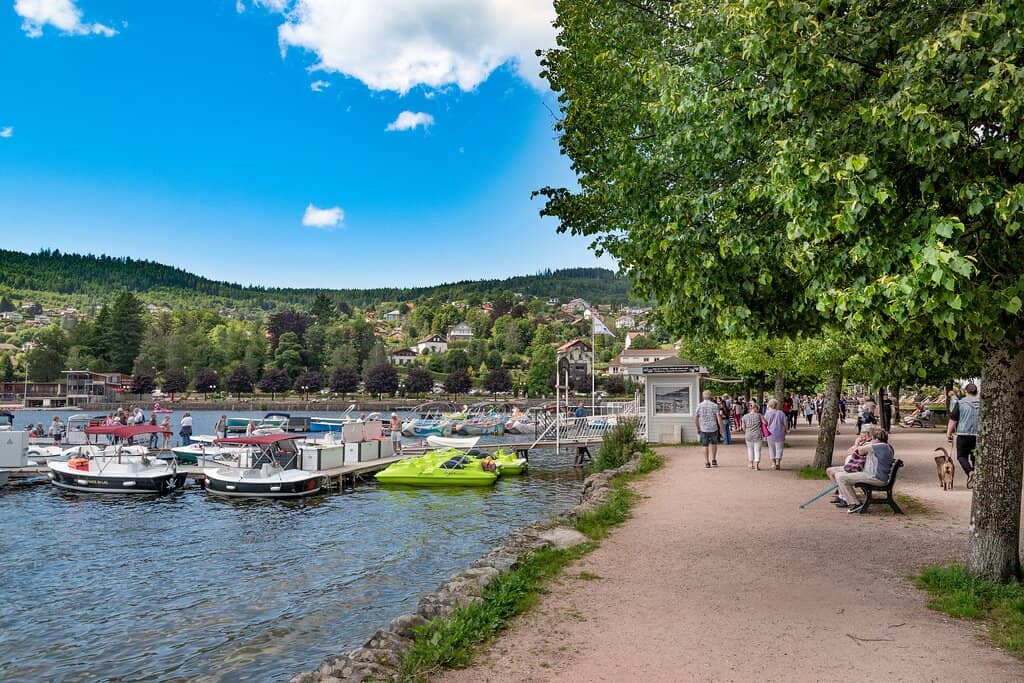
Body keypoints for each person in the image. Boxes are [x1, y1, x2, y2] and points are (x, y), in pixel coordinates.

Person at [834, 426, 895, 512]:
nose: (871, 441)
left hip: (875, 478)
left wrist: (858, 443)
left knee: (840, 477)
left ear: (876, 439)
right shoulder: (886, 446)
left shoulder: (880, 446)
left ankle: (854, 504)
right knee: (840, 476)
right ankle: (852, 502)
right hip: (874, 475)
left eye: (872, 439)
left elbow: (860, 451)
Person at [946, 382, 980, 488]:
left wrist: (949, 433)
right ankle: (976, 479)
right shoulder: (982, 403)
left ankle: (970, 473)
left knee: (961, 456)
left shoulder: (960, 403)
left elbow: (953, 420)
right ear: (977, 392)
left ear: (966, 392)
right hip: (978, 435)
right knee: (976, 457)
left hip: (963, 434)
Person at [694, 390, 723, 468]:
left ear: (703, 396)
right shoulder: (714, 405)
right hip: (713, 428)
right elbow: (718, 417)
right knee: (714, 444)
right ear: (710, 396)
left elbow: (696, 418)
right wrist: (721, 428)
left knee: (705, 445)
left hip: (703, 428)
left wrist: (698, 427)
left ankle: (707, 462)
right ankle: (714, 460)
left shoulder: (699, 405)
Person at [740, 401, 766, 470]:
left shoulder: (744, 416)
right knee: (757, 450)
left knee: (750, 449)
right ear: (756, 408)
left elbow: (743, 427)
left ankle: (751, 463)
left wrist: (747, 431)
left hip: (748, 435)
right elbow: (766, 423)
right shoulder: (759, 415)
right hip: (758, 434)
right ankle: (757, 464)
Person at [764, 397, 788, 469]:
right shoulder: (781, 413)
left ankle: (773, 463)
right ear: (776, 405)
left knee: (771, 448)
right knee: (779, 448)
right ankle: (778, 462)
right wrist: (786, 430)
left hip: (770, 433)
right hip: (780, 432)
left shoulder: (767, 413)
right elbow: (785, 423)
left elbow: (765, 423)